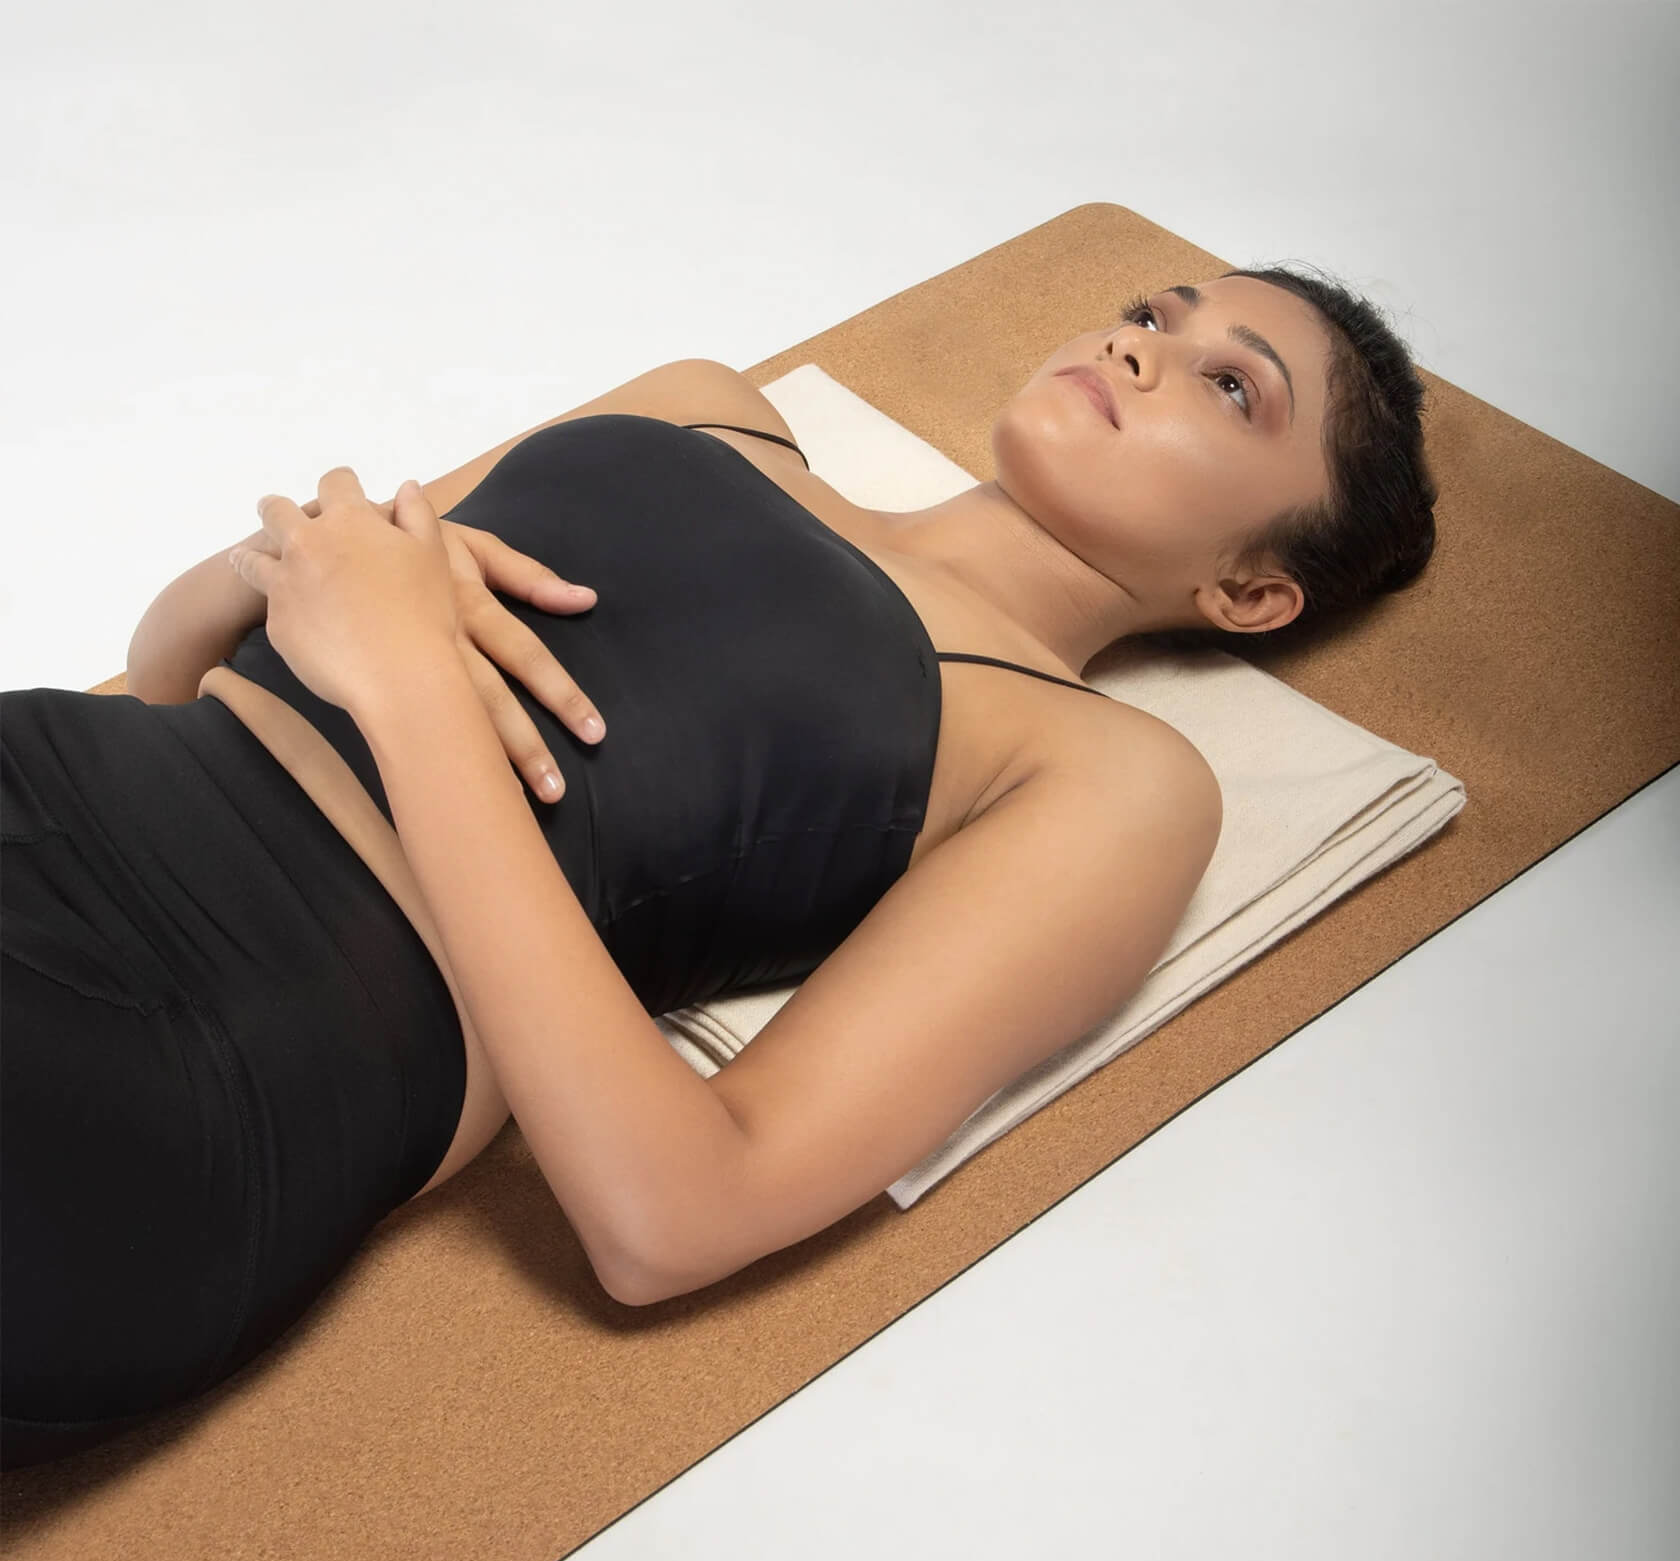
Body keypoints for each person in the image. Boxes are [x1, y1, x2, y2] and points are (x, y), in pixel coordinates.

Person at [0, 263, 1437, 1468]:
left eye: (1230, 386)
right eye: (1155, 311)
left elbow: (671, 1217)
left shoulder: (1108, 780)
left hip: (203, 1053)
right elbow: (178, 666)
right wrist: (283, 572)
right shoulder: (704, 407)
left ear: (1250, 591)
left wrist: (409, 688)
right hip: (59, 776)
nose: (1140, 345)